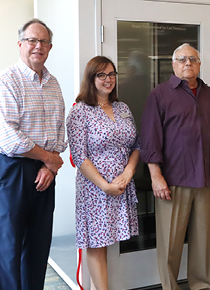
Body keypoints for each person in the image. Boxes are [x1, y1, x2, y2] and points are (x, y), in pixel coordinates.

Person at [140, 43, 210, 290]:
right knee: (171, 243)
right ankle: (170, 287)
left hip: (207, 178)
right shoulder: (159, 94)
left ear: (199, 64)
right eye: (182, 59)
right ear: (173, 65)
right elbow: (149, 139)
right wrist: (155, 176)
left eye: (192, 59)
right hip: (173, 180)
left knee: (203, 241)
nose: (187, 63)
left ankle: (202, 285)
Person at [0, 19, 66, 289]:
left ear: (50, 47)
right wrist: (47, 158)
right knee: (8, 245)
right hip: (13, 170)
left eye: (44, 41)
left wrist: (50, 168)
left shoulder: (53, 83)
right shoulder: (6, 80)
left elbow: (60, 129)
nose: (39, 46)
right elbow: (7, 137)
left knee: (38, 244)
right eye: (33, 40)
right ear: (20, 44)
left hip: (44, 173)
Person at [66, 56, 140, 290]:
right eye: (102, 75)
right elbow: (80, 156)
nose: (108, 80)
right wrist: (105, 185)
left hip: (122, 183)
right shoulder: (80, 112)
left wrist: (128, 172)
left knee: (109, 240)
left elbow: (137, 145)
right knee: (97, 243)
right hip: (95, 187)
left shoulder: (122, 108)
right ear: (91, 79)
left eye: (111, 74)